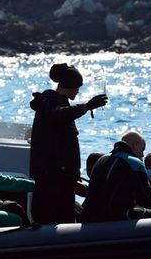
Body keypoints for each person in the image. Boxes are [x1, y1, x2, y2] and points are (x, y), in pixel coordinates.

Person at [29, 63, 108, 224]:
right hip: (52, 176)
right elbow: (57, 116)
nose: (78, 91)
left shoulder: (59, 103)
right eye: (77, 87)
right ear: (70, 86)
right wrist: (86, 107)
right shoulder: (49, 101)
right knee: (50, 219)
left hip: (63, 176)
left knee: (65, 220)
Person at [80, 132, 151, 223]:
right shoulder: (134, 163)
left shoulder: (101, 159)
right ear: (135, 145)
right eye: (142, 149)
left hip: (89, 217)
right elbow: (147, 198)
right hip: (115, 217)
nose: (143, 154)